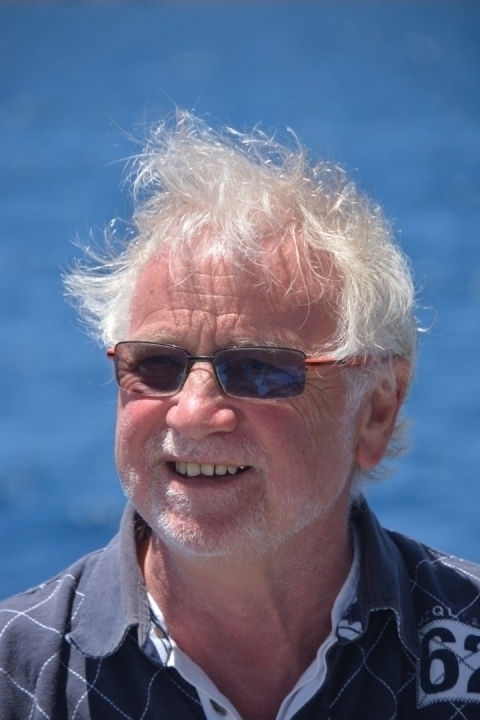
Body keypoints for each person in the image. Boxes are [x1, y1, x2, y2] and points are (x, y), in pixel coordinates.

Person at [1, 112, 479, 720]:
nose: (194, 412)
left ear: (376, 410)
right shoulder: (18, 674)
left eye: (258, 368)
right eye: (157, 363)